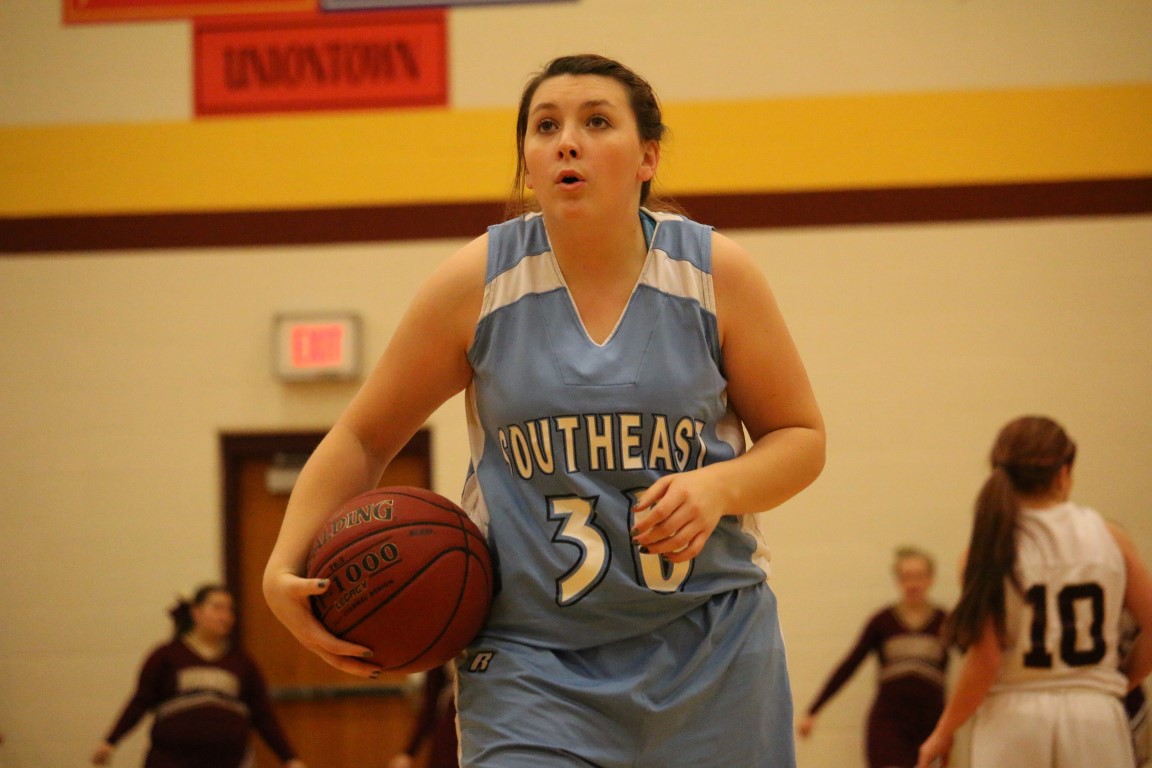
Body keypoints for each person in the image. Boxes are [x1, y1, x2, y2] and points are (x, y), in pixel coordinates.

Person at [263, 53, 825, 768]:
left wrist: (718, 487)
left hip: (711, 649)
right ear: (528, 164)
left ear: (648, 157)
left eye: (597, 122)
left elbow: (800, 436)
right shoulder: (478, 282)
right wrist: (281, 565)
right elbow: (364, 436)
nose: (568, 142)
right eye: (546, 126)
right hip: (530, 665)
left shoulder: (715, 275)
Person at [916, 415, 1152, 768]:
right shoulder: (1110, 537)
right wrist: (1114, 683)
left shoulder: (987, 548)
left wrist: (944, 729)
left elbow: (985, 660)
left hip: (1015, 719)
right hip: (1096, 718)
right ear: (1063, 473)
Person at [92, 585, 306, 768]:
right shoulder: (166, 655)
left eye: (229, 610)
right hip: (170, 761)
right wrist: (111, 741)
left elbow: (262, 714)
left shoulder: (242, 662)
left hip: (226, 762)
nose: (225, 616)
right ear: (196, 612)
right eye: (217, 608)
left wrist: (289, 758)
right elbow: (140, 701)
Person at [797, 546, 949, 767]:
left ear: (930, 579)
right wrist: (814, 710)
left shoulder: (946, 621)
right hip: (889, 724)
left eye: (918, 576)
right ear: (898, 580)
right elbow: (850, 665)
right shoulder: (882, 621)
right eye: (906, 577)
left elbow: (974, 666)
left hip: (930, 724)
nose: (912, 583)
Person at [389, 663, 458, 768]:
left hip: (479, 736)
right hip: (449, 739)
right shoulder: (441, 655)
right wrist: (409, 752)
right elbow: (430, 704)